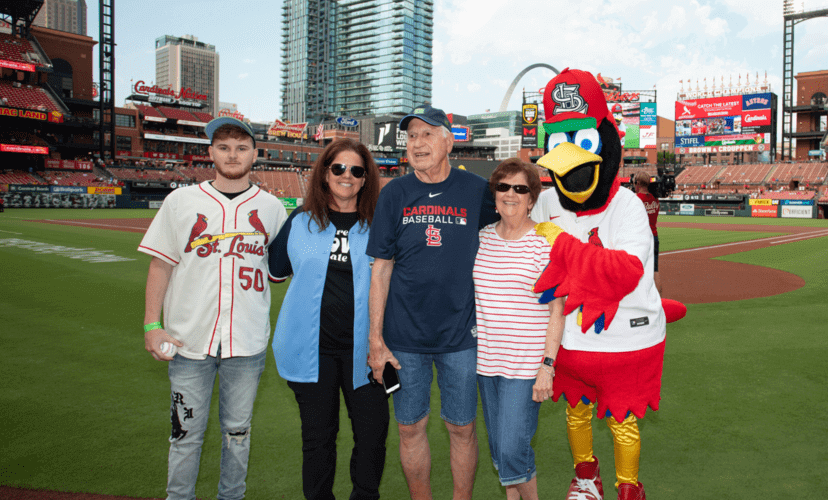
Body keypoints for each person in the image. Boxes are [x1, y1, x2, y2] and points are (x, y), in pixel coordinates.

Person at [139, 116, 287, 500]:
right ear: (210, 153)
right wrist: (151, 324)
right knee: (184, 435)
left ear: (255, 154)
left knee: (238, 434)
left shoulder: (272, 208)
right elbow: (161, 264)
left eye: (241, 147)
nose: (232, 154)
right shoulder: (181, 201)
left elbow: (278, 272)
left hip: (247, 343)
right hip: (189, 341)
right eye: (223, 147)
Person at [366, 104, 499, 500]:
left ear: (448, 140)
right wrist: (376, 342)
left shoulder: (478, 192)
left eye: (427, 134)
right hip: (404, 338)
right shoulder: (394, 195)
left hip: (461, 336)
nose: (418, 143)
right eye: (411, 136)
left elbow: (510, 238)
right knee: (409, 426)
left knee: (461, 427)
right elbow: (380, 270)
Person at [268, 138, 389, 500]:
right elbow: (275, 270)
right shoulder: (300, 221)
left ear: (366, 179)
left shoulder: (380, 225)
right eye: (338, 168)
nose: (347, 176)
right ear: (324, 173)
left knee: (372, 436)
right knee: (318, 439)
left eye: (356, 170)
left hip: (367, 352)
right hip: (311, 352)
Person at [473, 159, 564, 500]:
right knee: (500, 450)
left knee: (512, 448)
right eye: (503, 187)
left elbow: (558, 309)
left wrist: (547, 366)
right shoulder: (482, 238)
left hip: (526, 366)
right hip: (486, 364)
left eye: (520, 189)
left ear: (531, 199)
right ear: (494, 194)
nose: (510, 194)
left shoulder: (545, 242)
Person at [633, 172, 662, 294]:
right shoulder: (655, 199)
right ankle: (659, 301)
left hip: (640, 238)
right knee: (655, 271)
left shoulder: (636, 199)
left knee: (636, 270)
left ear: (638, 183)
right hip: (654, 236)